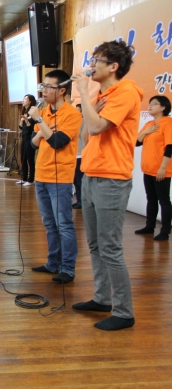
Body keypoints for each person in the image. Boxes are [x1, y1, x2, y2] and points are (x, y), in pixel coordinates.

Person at [71, 40, 142, 331]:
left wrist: (85, 97)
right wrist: (90, 107)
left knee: (110, 247)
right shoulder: (103, 94)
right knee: (95, 244)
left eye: (96, 60)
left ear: (113, 66)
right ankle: (102, 298)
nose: (90, 66)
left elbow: (98, 126)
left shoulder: (125, 92)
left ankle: (124, 312)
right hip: (91, 174)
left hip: (112, 178)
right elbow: (88, 136)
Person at [29, 70, 83, 284]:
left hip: (60, 178)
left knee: (64, 225)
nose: (44, 90)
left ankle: (68, 268)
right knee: (49, 223)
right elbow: (33, 143)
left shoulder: (72, 114)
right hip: (41, 175)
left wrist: (39, 122)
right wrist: (42, 130)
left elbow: (57, 142)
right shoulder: (45, 112)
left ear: (62, 90)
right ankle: (53, 262)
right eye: (43, 86)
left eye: (49, 86)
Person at [134, 95, 172, 241]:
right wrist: (146, 132)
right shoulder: (149, 124)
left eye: (154, 104)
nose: (149, 106)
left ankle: (165, 231)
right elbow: (137, 142)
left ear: (163, 107)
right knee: (151, 198)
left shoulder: (168, 123)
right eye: (149, 103)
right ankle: (150, 226)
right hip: (148, 169)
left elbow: (170, 147)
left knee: (164, 200)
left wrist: (163, 167)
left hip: (161, 170)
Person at [17, 94, 37, 186]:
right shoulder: (24, 111)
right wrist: (22, 120)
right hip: (24, 137)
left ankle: (31, 179)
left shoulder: (32, 112)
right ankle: (24, 178)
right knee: (23, 158)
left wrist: (26, 120)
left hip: (30, 138)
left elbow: (31, 127)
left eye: (25, 99)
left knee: (30, 159)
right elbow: (21, 127)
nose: (23, 100)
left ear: (30, 101)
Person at [72, 104, 85, 209]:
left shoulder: (83, 122)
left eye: (78, 111)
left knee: (79, 180)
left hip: (80, 155)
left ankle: (81, 201)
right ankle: (79, 200)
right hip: (74, 155)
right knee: (75, 180)